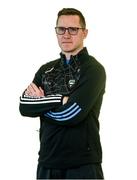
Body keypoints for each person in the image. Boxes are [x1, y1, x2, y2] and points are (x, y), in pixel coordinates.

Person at [19, 8, 106, 179]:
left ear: (85, 33)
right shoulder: (46, 70)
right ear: (56, 32)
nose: (66, 35)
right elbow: (24, 106)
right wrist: (62, 99)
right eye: (61, 29)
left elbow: (71, 114)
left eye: (73, 29)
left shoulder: (93, 70)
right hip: (47, 162)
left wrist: (42, 103)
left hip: (82, 165)